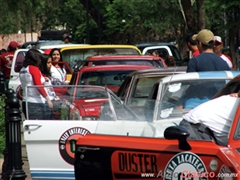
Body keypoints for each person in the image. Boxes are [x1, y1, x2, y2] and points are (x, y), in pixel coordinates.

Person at [19, 49, 53, 120]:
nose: (40, 61)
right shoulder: (33, 68)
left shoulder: (23, 69)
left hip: (26, 101)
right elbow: (38, 85)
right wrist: (48, 99)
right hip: (35, 102)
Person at [40, 54, 60, 119]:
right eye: (48, 63)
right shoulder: (41, 75)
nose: (50, 64)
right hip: (46, 103)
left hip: (52, 101)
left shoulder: (47, 74)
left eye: (51, 62)